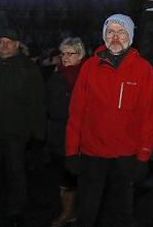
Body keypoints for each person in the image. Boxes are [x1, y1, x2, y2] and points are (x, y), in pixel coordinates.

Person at [65, 15, 153, 227]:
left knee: (122, 215)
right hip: (92, 155)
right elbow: (76, 112)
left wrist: (144, 156)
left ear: (130, 36)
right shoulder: (89, 67)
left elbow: (150, 115)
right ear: (104, 36)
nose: (115, 37)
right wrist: (71, 152)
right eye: (111, 32)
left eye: (121, 32)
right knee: (87, 214)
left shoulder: (143, 69)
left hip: (126, 157)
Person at [0, 29, 45, 227]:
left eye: (9, 42)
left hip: (16, 131)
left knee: (16, 173)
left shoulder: (28, 68)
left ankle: (16, 212)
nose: (4, 45)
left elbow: (37, 101)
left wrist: (38, 132)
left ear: (17, 45)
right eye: (1, 41)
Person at [46, 38, 86, 227]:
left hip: (82, 135)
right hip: (59, 134)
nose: (65, 57)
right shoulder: (56, 76)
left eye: (70, 53)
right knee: (64, 176)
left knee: (80, 176)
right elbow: (49, 104)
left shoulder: (88, 75)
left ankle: (78, 212)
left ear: (80, 55)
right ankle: (68, 212)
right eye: (63, 54)